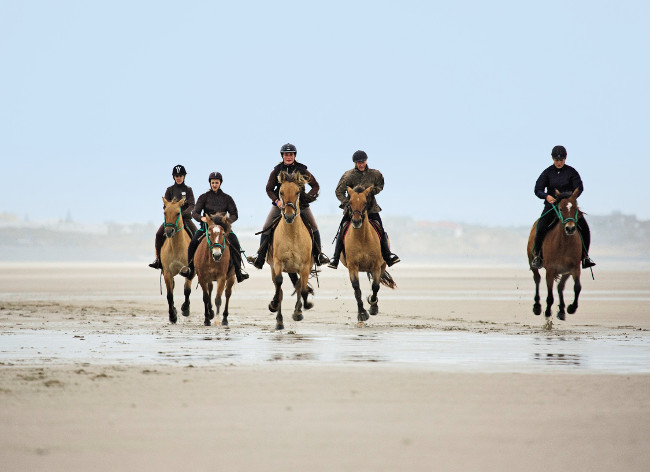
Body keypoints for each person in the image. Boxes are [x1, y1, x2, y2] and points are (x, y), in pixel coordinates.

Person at [247, 143, 330, 269]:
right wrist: (277, 201)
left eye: (291, 154)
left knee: (314, 226)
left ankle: (319, 256)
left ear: (294, 155)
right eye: (286, 154)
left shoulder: (302, 170)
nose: (288, 156)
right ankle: (260, 257)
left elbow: (315, 186)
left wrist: (306, 197)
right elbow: (269, 189)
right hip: (281, 205)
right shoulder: (276, 170)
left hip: (300, 205)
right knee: (266, 226)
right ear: (282, 156)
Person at [328, 150, 400, 269]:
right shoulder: (348, 175)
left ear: (366, 161)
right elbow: (338, 192)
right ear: (355, 163)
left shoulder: (375, 174)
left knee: (381, 230)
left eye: (363, 162)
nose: (361, 164)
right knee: (342, 230)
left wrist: (372, 191)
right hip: (353, 211)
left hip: (371, 208)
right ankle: (335, 258)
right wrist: (348, 203)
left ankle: (388, 256)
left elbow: (380, 185)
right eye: (358, 162)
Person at [531, 145, 596, 269]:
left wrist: (571, 198)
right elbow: (537, 189)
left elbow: (579, 187)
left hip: (569, 207)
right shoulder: (547, 172)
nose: (559, 162)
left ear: (565, 159)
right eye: (556, 160)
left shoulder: (571, 172)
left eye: (561, 160)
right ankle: (537, 257)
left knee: (585, 229)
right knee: (541, 227)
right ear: (552, 159)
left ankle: (585, 257)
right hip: (552, 206)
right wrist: (546, 196)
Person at [179, 172, 249, 282]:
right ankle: (190, 269)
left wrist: (228, 221)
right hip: (207, 228)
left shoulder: (227, 198)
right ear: (210, 183)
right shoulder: (203, 197)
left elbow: (235, 214)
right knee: (193, 243)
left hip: (223, 229)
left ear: (220, 183)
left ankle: (239, 271)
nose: (214, 184)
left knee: (235, 242)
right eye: (212, 183)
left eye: (216, 182)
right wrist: (202, 218)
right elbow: (195, 213)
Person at [149, 164, 196, 269]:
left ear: (184, 176)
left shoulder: (188, 190)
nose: (178, 178)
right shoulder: (169, 190)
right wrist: (172, 213)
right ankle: (158, 259)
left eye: (180, 175)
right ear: (174, 177)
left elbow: (192, 205)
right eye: (176, 176)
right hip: (171, 220)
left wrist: (182, 214)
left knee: (197, 235)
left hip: (185, 219)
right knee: (158, 234)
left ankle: (195, 260)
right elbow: (165, 206)